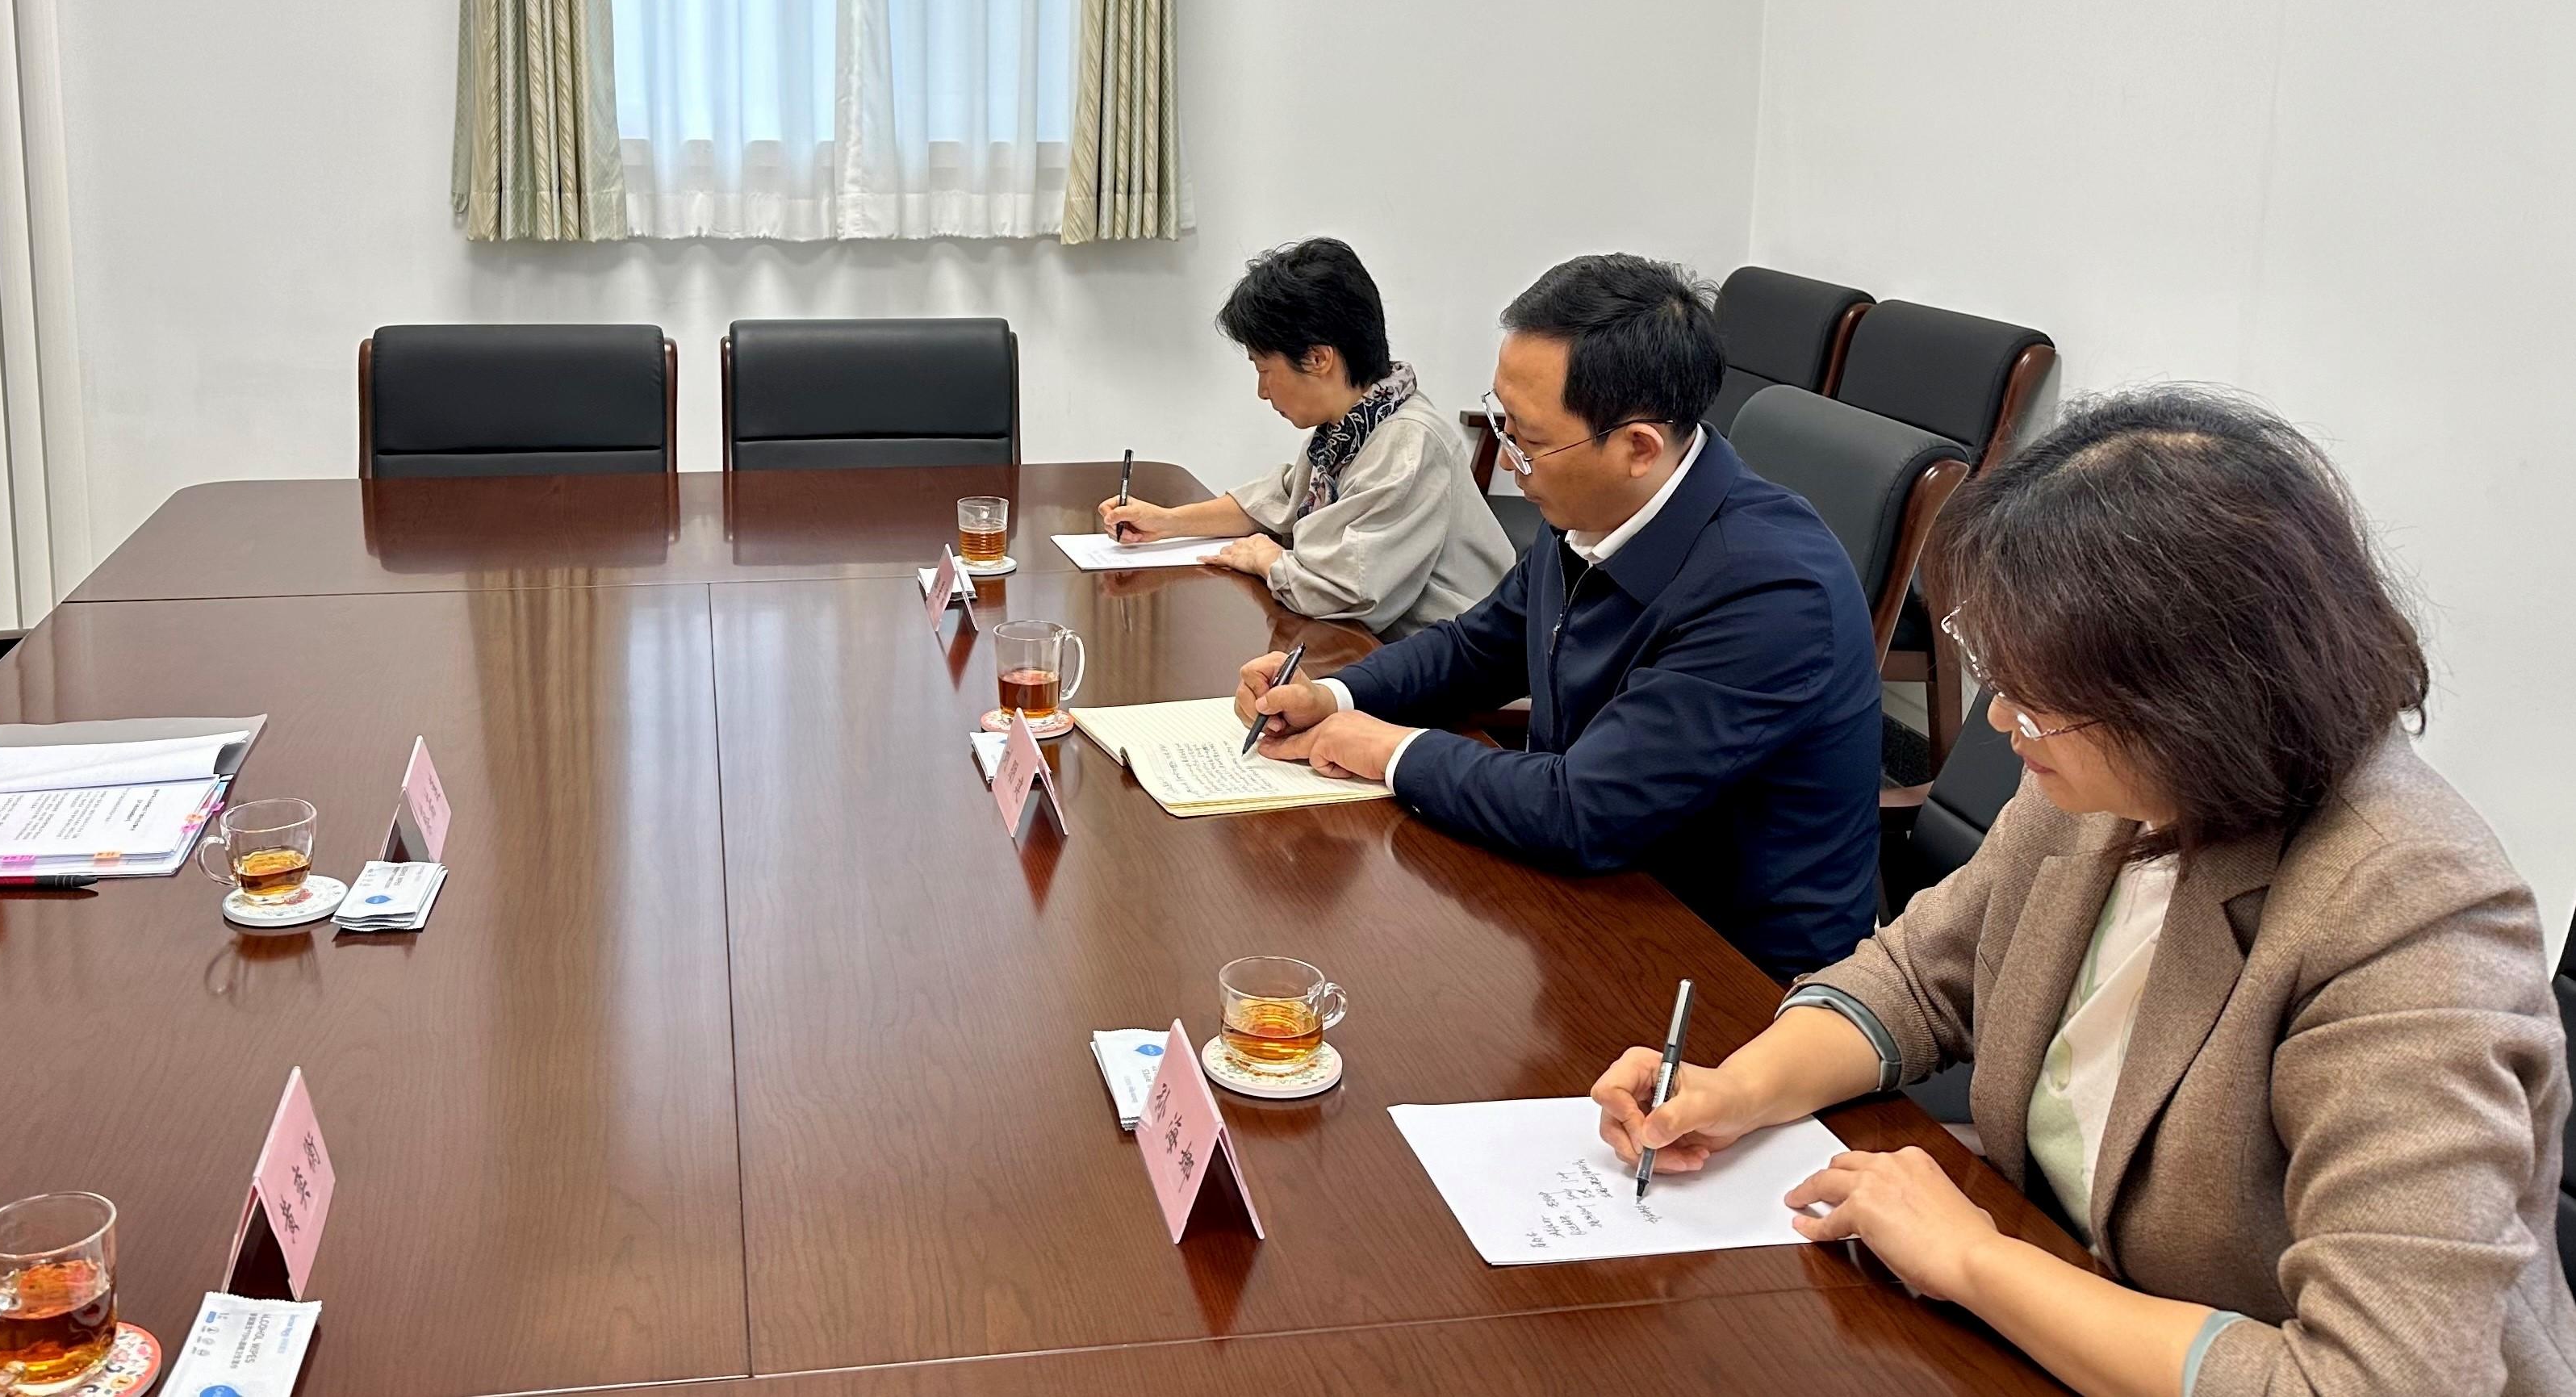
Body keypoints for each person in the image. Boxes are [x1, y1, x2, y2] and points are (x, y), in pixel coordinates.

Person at [1591, 388, 2576, 1395]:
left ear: (2197, 701)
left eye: (2040, 694)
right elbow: (1919, 975)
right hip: (2068, 1295)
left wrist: (1975, 1261)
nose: (2002, 720)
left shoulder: (2410, 914)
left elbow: (2377, 1379)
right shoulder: (2112, 782)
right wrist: (1736, 1090)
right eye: (1999, 671)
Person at [1238, 254, 1879, 977]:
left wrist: (1385, 749)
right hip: (1596, 905)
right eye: (1505, 424)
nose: (1510, 462)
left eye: (1528, 440)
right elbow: (1479, 647)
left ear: (1638, 447)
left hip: (1733, 980)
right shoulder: (1594, 501)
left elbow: (1584, 810)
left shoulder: (1771, 593)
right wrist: (1336, 694)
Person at [1098, 237, 1511, 638]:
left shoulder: (1409, 444)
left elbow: (1349, 592)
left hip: (1460, 676)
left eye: (1263, 369)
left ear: (1317, 358)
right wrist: (1167, 523)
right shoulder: (1356, 419)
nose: (1262, 391)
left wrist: (1270, 560)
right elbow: (1278, 500)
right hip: (1386, 650)